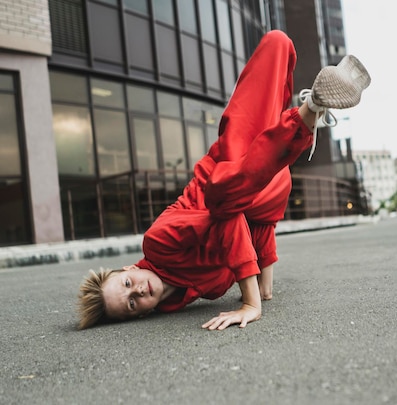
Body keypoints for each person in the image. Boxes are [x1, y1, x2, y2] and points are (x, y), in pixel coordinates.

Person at [77, 30, 371, 331]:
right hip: (264, 187)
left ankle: (311, 107)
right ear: (138, 316)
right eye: (131, 303)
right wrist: (264, 271)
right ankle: (310, 109)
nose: (137, 291)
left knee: (278, 43)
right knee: (235, 196)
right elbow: (251, 226)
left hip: (230, 166)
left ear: (129, 268)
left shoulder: (157, 244)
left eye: (127, 282)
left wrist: (252, 302)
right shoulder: (177, 299)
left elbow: (227, 219)